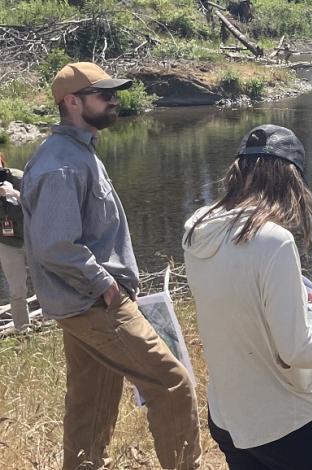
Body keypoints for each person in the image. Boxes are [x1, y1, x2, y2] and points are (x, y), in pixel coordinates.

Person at [23, 62, 200, 469]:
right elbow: (55, 246)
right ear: (71, 101)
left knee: (92, 401)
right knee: (172, 384)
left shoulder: (78, 151)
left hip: (85, 303)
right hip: (96, 304)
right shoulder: (61, 164)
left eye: (113, 92)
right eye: (104, 94)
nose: (114, 99)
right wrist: (106, 285)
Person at [183, 124, 312, 469]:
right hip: (285, 421)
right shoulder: (274, 241)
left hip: (227, 415)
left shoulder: (198, 229)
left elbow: (235, 296)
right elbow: (296, 349)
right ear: (292, 181)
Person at [0, 151, 30, 331]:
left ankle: (56, 320)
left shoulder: (19, 177)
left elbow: (39, 203)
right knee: (17, 289)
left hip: (31, 238)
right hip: (7, 242)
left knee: (46, 281)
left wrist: (15, 193)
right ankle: (23, 331)